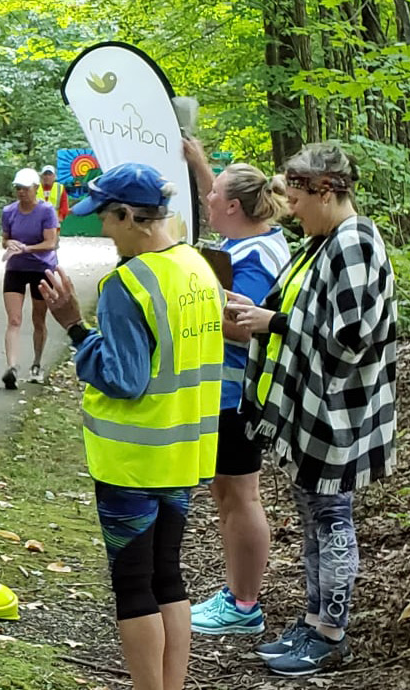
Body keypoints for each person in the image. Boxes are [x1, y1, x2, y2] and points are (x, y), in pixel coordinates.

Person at [37, 162, 223, 690]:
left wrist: (75, 327)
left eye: (107, 218)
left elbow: (123, 379)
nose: (102, 228)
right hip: (185, 452)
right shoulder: (196, 267)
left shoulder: (127, 283)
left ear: (130, 216)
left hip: (132, 459)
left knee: (133, 585)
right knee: (169, 575)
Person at [227, 143, 397, 677]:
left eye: (297, 197)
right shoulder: (322, 243)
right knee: (312, 515)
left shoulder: (355, 242)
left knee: (331, 516)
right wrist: (262, 313)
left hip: (339, 415)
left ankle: (331, 633)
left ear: (327, 190)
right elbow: (302, 309)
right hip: (311, 412)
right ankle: (314, 616)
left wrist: (270, 324)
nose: (291, 208)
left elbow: (352, 338)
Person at [180, 140, 293, 638]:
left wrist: (188, 306)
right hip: (229, 393)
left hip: (238, 394)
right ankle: (236, 595)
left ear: (233, 207)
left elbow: (247, 326)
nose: (206, 199)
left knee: (240, 495)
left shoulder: (254, 255)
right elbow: (216, 191)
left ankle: (244, 605)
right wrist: (201, 164)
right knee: (227, 492)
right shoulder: (252, 238)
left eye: (214, 195)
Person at [0, 167, 61, 388]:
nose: (21, 192)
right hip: (15, 267)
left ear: (35, 188)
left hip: (41, 268)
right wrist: (10, 244)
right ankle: (12, 367)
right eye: (18, 188)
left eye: (25, 188)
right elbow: (5, 239)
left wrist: (26, 248)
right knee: (14, 319)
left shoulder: (46, 211)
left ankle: (36, 364)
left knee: (38, 318)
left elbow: (50, 243)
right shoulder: (9, 211)